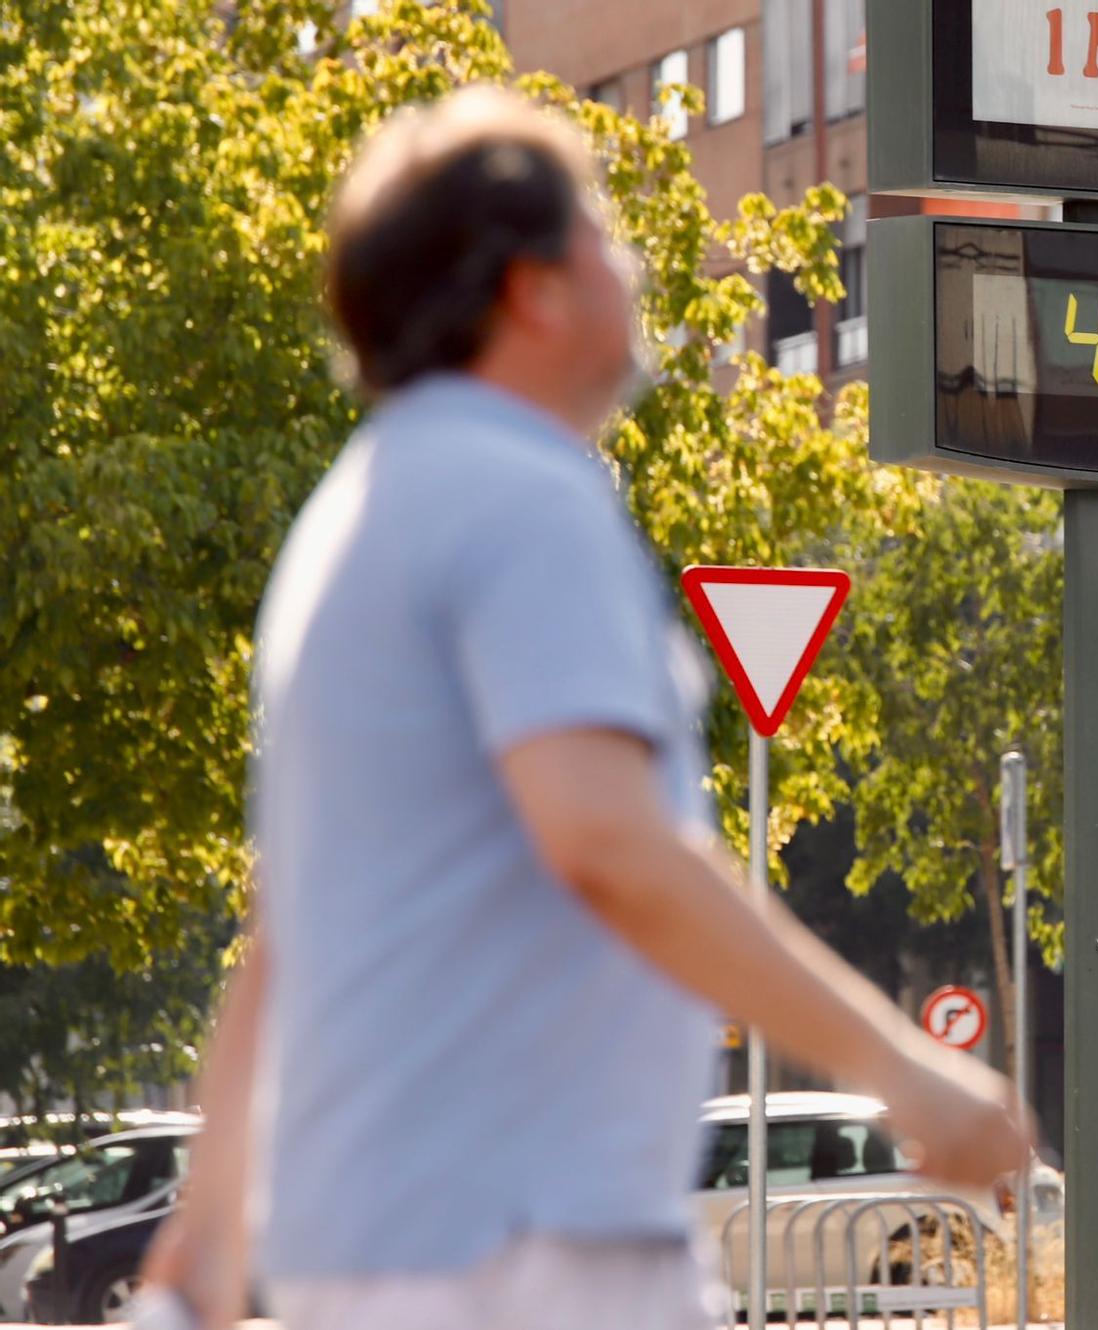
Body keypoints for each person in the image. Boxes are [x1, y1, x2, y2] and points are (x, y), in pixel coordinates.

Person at [140, 86, 1029, 1330]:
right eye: (604, 232)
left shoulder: (352, 519)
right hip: (530, 1247)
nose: (635, 266)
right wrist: (906, 1072)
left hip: (383, 1241)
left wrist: (206, 1235)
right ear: (533, 290)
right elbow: (607, 845)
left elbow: (293, 925)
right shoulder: (520, 495)